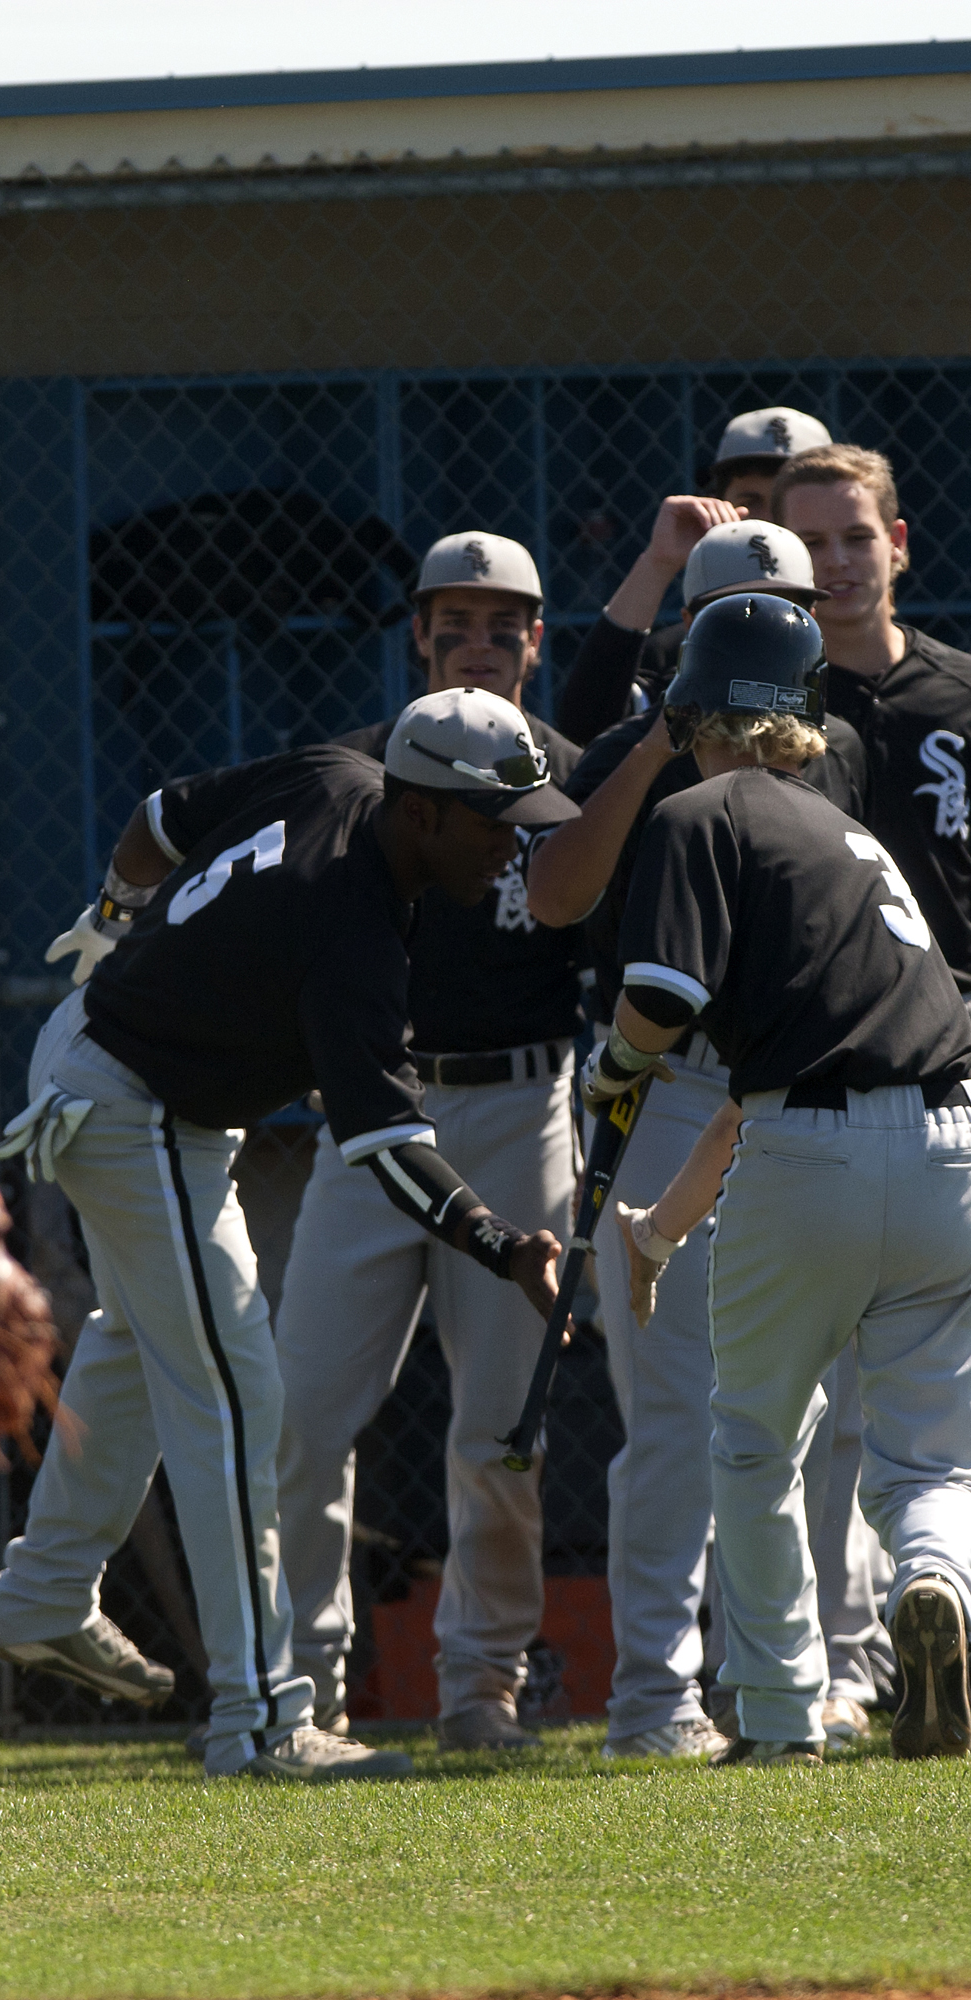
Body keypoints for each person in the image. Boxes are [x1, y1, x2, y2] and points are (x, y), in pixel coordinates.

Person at [0, 689, 580, 1781]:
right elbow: (389, 1144)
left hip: (121, 1068)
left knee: (147, 1338)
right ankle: (258, 1718)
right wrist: (502, 1242)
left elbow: (161, 817)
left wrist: (114, 910)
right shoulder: (348, 923)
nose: (510, 844)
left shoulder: (330, 772)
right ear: (426, 811)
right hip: (129, 1101)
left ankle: (44, 1590)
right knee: (235, 1392)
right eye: (493, 820)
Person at [599, 591, 971, 1765]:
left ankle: (776, 1715)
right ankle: (935, 1580)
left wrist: (608, 1073)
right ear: (805, 712)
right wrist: (662, 1223)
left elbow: (660, 999)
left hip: (805, 1150)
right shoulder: (846, 836)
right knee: (929, 1453)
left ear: (689, 704)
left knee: (754, 1440)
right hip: (950, 1142)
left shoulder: (703, 811)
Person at [527, 524, 878, 1760]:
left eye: (778, 603)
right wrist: (660, 744)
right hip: (664, 1085)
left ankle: (797, 1674)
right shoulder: (636, 747)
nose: (760, 626)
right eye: (735, 604)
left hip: (783, 1092)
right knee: (673, 1412)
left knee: (817, 1396)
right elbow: (551, 894)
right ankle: (652, 1698)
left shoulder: (834, 753)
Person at [272, 532, 584, 1750]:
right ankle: (300, 1680)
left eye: (502, 623)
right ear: (415, 633)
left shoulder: (559, 776)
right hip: (374, 1111)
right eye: (453, 621)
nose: (477, 642)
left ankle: (479, 1684)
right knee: (303, 1406)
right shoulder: (360, 774)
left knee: (501, 1421)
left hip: (518, 1103)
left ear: (535, 640)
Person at [772, 444, 971, 997]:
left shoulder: (962, 691)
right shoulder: (768, 700)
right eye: (812, 543)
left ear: (897, 542)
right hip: (815, 1007)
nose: (836, 559)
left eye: (858, 537)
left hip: (958, 1000)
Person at [557, 406, 833, 745]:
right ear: (720, 504)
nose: (771, 520)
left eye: (787, 502)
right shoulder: (692, 642)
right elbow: (584, 730)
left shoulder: (854, 635)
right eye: (752, 500)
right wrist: (657, 563)